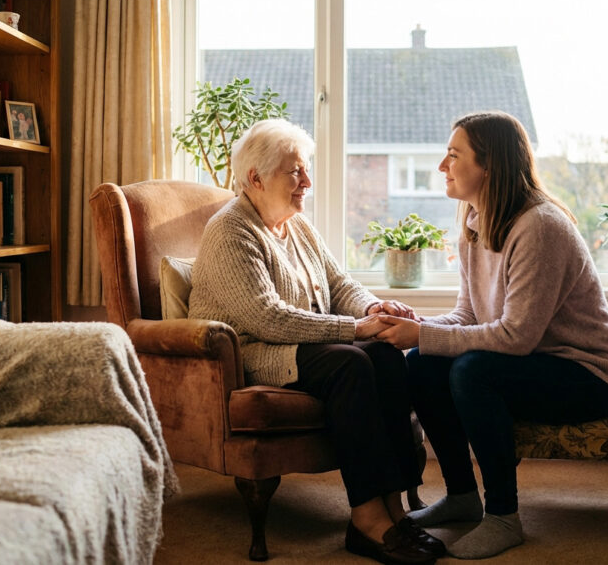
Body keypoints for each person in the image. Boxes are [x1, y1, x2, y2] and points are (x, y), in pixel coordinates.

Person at [188, 118, 444, 564]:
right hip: (254, 353)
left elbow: (341, 284)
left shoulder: (297, 226)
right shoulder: (230, 230)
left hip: (303, 345)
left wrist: (373, 311)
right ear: (256, 178)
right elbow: (267, 318)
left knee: (385, 354)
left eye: (305, 171)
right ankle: (366, 519)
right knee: (352, 363)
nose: (307, 182)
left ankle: (395, 508)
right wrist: (353, 329)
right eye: (295, 172)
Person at [375, 111, 608, 559]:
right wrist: (416, 330)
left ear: (489, 166)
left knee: (473, 372)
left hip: (587, 375)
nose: (442, 166)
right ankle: (462, 497)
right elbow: (469, 314)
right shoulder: (474, 222)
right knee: (420, 363)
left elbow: (516, 338)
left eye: (454, 155)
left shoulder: (540, 226)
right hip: (529, 363)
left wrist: (424, 334)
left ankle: (504, 516)